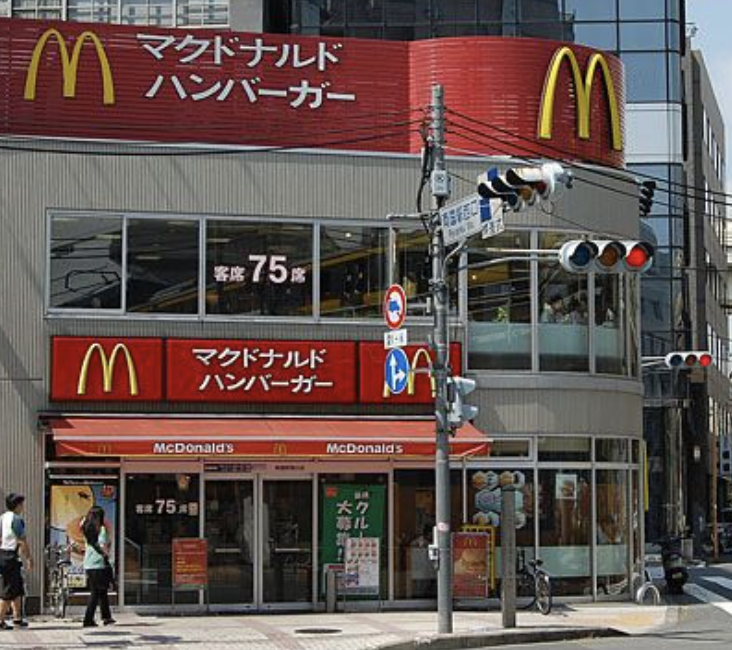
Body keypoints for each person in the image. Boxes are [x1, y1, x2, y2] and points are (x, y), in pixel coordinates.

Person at [0, 493, 32, 630]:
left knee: (17, 588)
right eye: (22, 504)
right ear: (17, 505)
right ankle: (0, 620)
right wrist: (29, 558)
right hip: (11, 557)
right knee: (9, 590)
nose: (23, 507)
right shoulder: (16, 520)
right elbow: (22, 541)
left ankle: (17, 618)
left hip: (3, 555)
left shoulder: (2, 518)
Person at [81, 506, 115, 628]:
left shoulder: (86, 527)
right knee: (96, 592)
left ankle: (106, 617)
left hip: (88, 563)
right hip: (98, 564)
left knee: (102, 590)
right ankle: (88, 619)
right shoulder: (101, 529)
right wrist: (107, 553)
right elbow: (102, 546)